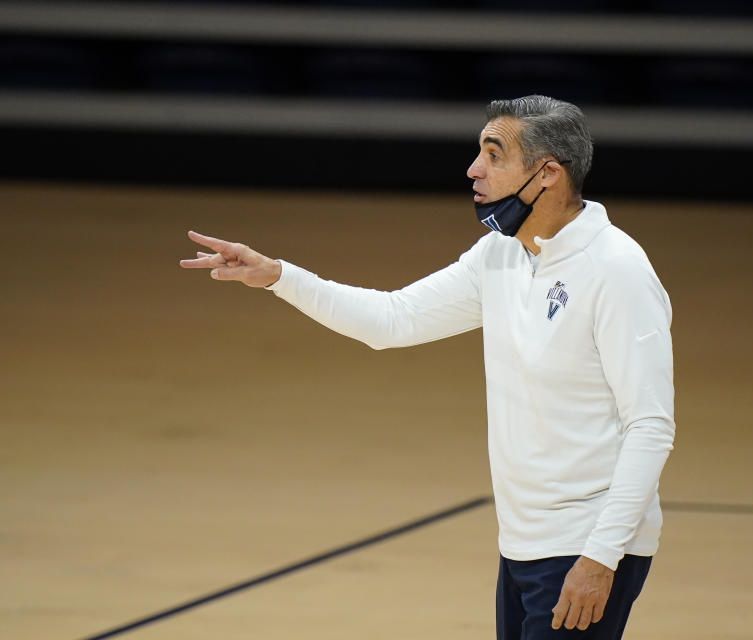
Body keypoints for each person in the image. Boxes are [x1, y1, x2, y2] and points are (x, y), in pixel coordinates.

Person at [180, 95, 675, 640]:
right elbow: (394, 319)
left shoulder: (617, 271)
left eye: (493, 154)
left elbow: (650, 426)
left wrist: (600, 559)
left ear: (548, 174)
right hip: (523, 542)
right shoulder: (502, 254)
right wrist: (279, 276)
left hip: (585, 547)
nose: (473, 169)